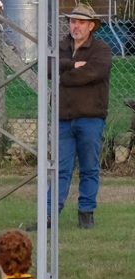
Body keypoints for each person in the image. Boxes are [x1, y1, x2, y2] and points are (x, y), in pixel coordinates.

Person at [58, 3, 113, 230]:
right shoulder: (61, 46)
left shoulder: (101, 49)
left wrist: (66, 75)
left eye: (80, 22)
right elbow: (46, 66)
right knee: (60, 168)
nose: (75, 26)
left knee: (89, 167)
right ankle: (50, 215)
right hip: (63, 118)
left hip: (91, 117)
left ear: (91, 26)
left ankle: (86, 213)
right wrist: (72, 64)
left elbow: (94, 72)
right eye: (73, 21)